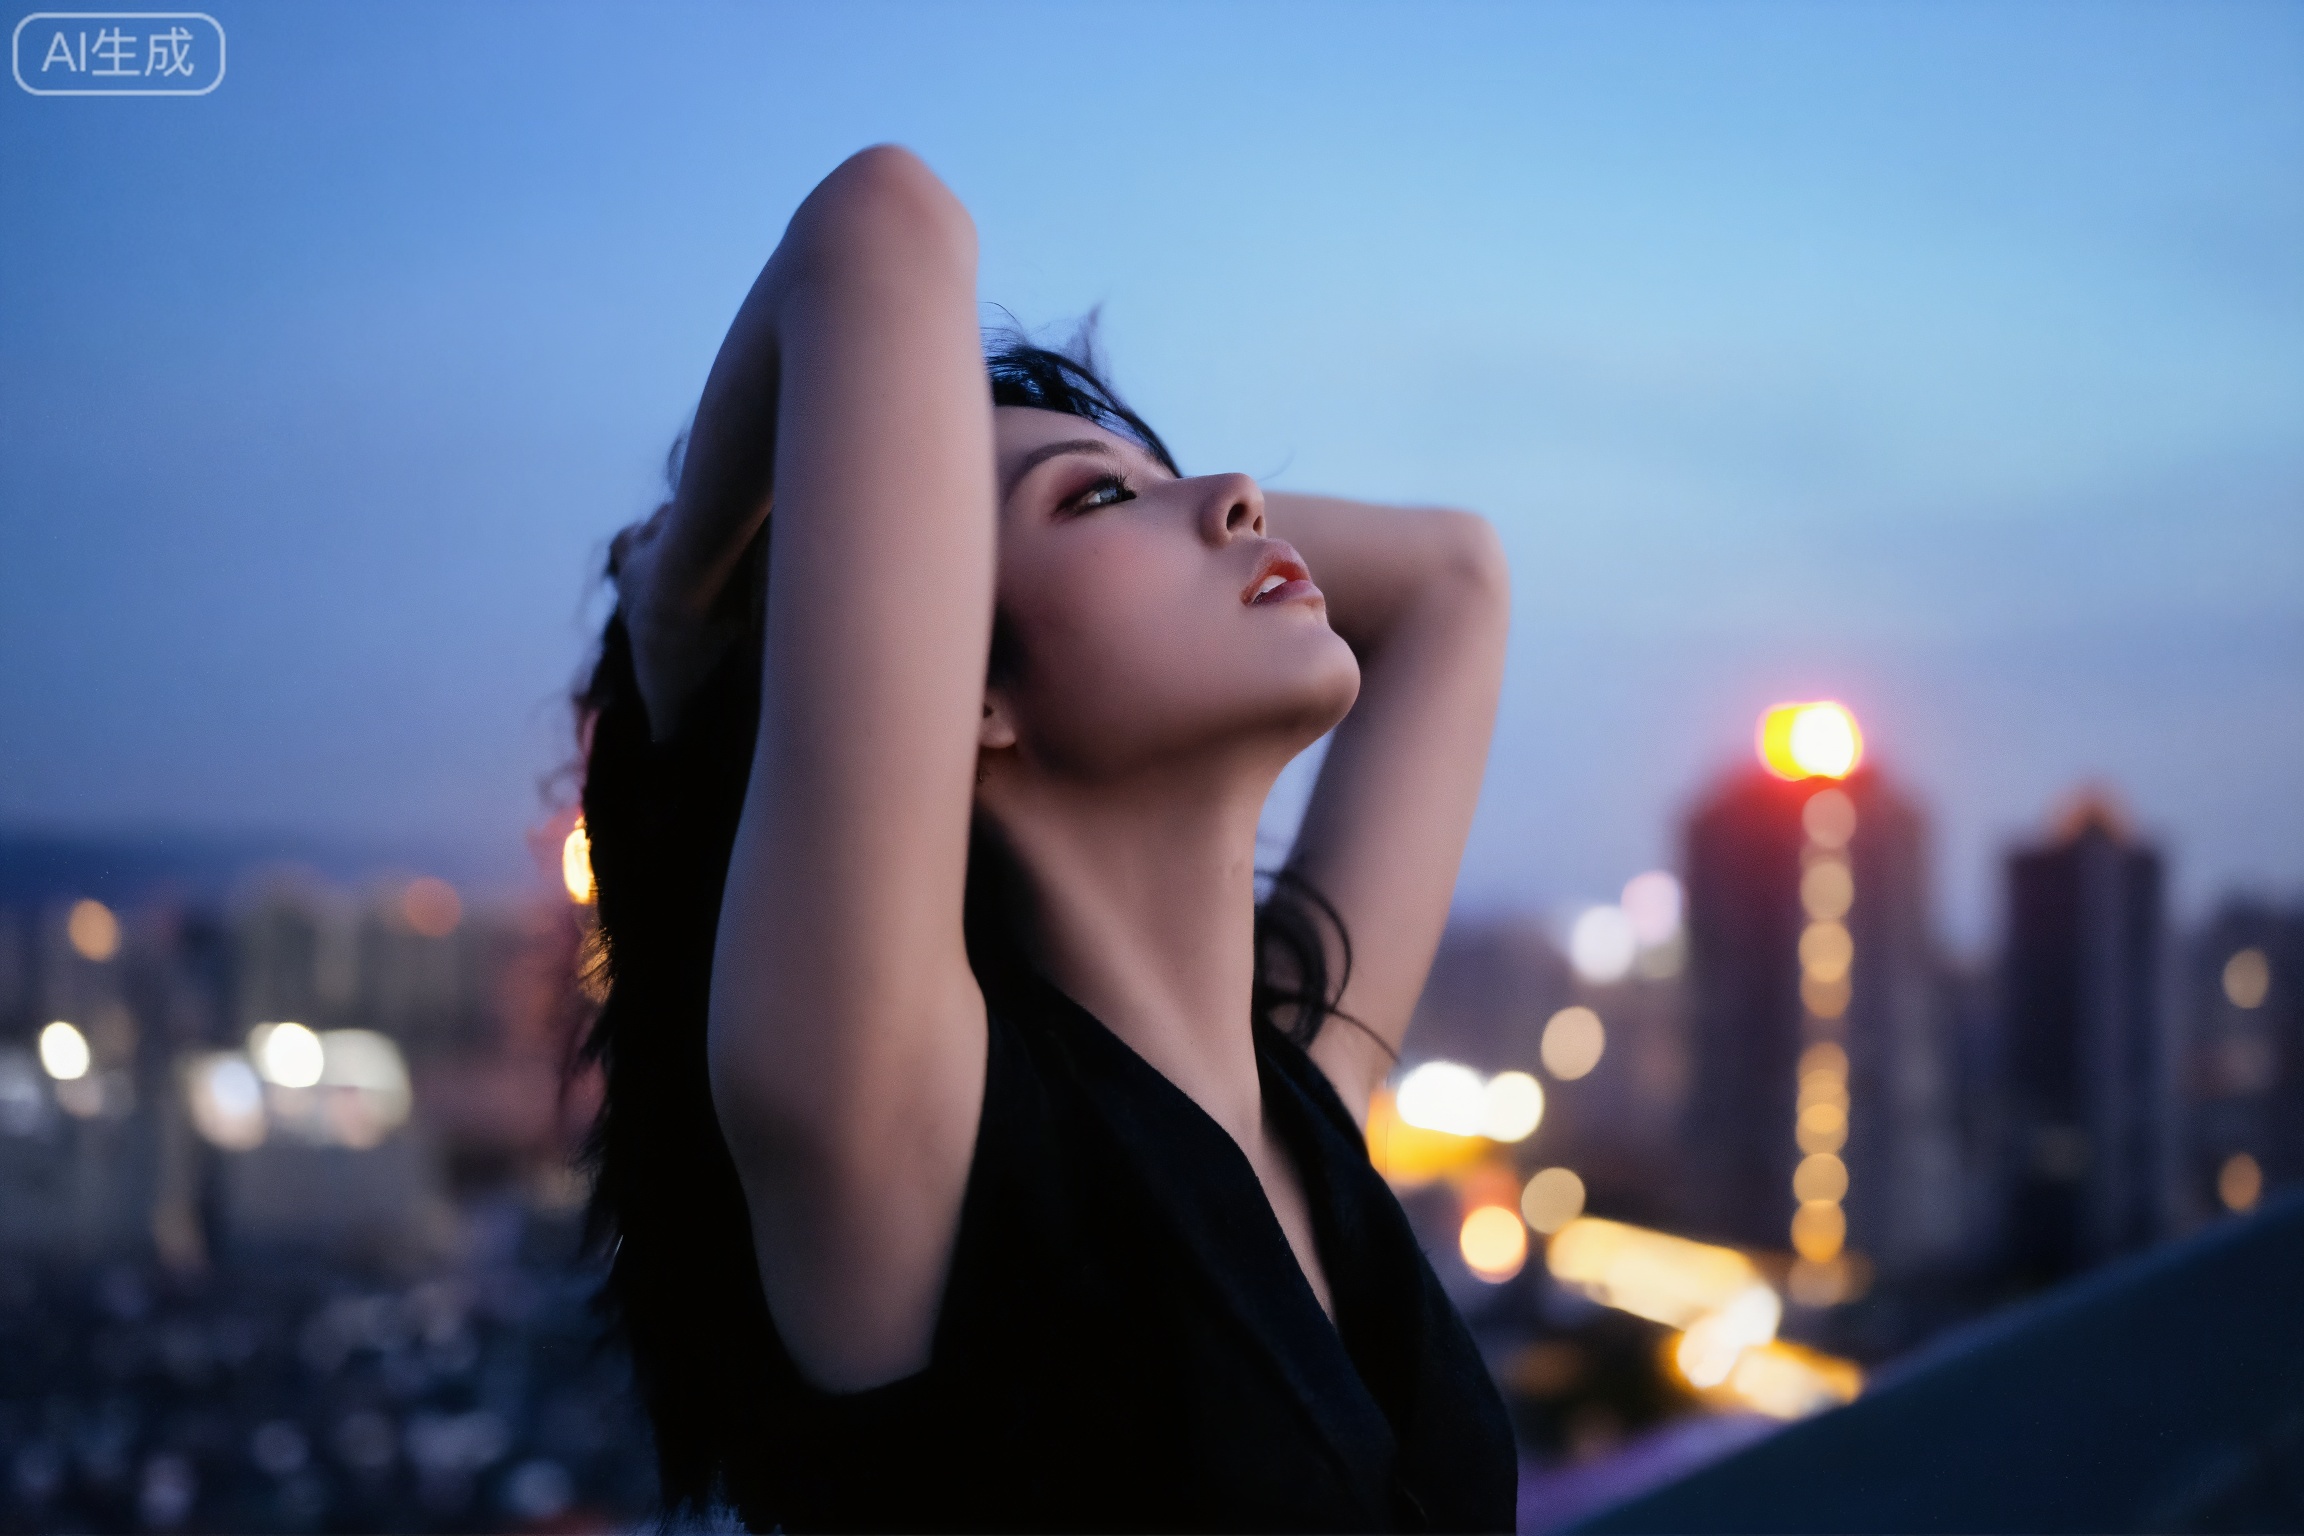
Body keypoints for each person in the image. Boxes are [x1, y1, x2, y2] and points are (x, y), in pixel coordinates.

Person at [576, 146, 1515, 1533]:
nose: (1242, 496)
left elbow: (1457, 578)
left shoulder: (1298, 1088)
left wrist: (1128, 508)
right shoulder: (903, 1132)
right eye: (1097, 500)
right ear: (967, 687)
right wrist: (684, 603)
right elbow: (883, 225)